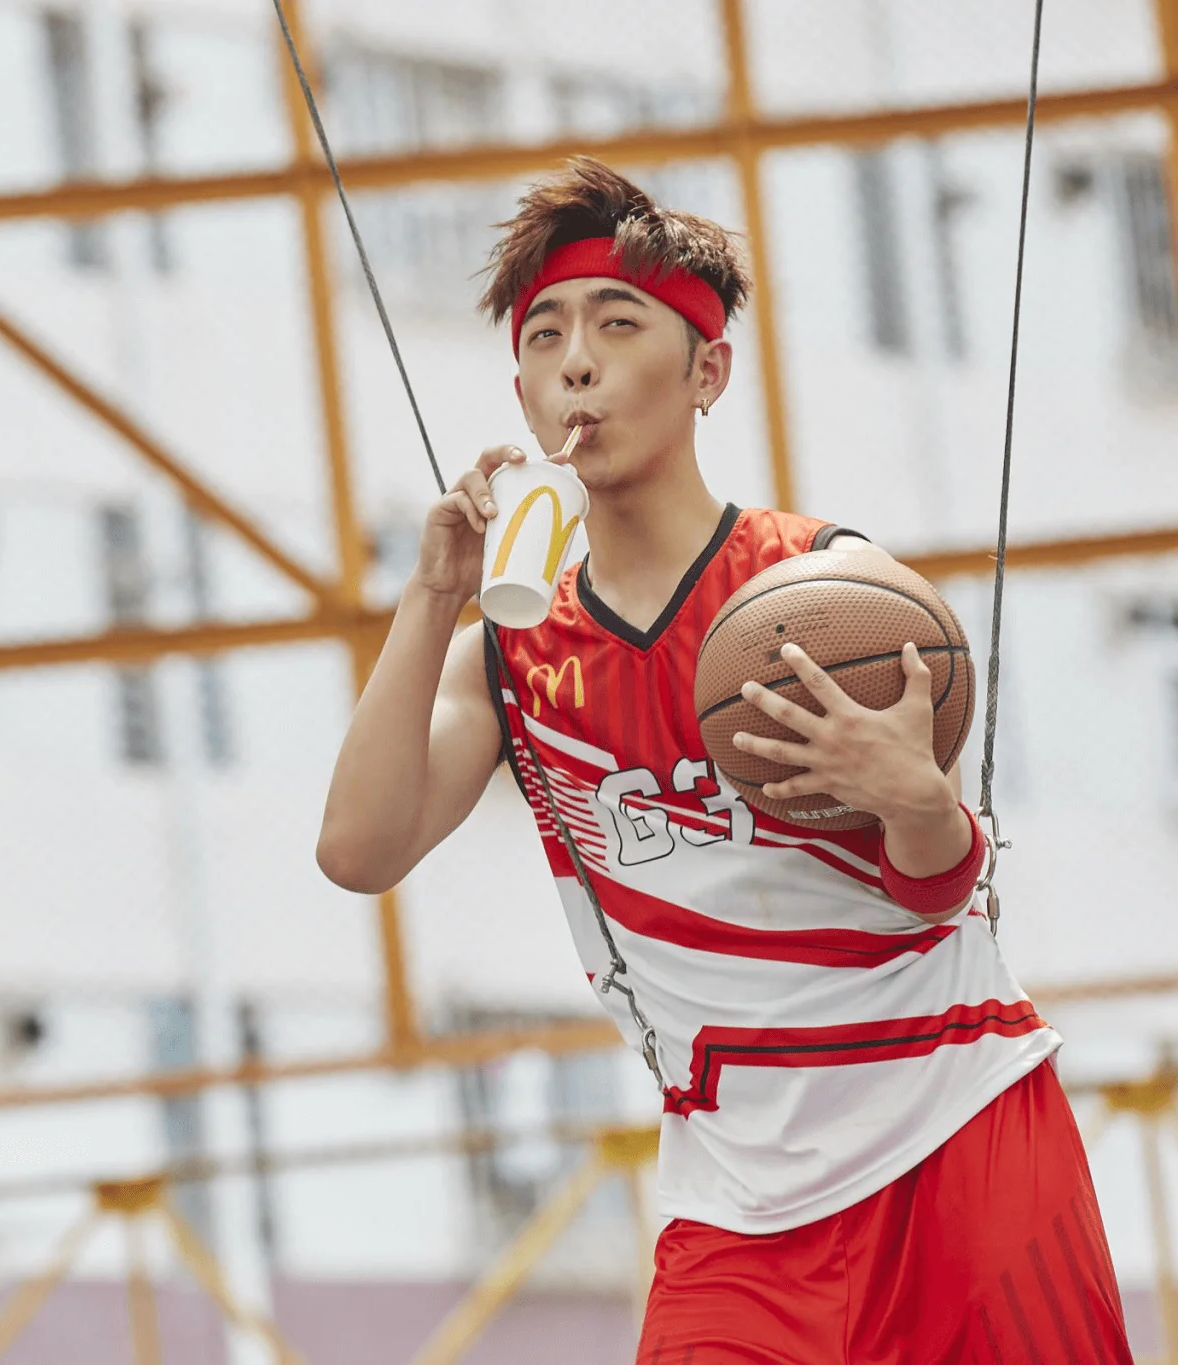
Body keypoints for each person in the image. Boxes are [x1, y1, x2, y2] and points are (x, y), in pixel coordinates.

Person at [316, 158, 1130, 1363]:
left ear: (708, 372)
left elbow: (935, 883)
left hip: (953, 1133)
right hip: (733, 1201)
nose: (575, 361)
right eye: (544, 336)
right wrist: (432, 595)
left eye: (616, 324)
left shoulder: (830, 593)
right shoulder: (511, 652)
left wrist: (917, 800)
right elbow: (357, 850)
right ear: (524, 394)